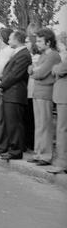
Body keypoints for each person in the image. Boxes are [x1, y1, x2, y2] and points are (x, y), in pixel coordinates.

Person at [0, 30, 32, 161]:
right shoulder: (18, 53)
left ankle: (16, 151)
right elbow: (9, 72)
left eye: (10, 39)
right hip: (10, 93)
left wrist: (1, 84)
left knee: (14, 124)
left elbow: (15, 74)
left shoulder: (24, 55)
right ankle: (12, 149)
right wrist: (0, 80)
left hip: (15, 94)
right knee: (10, 123)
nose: (8, 41)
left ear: (17, 40)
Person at [27, 28, 61, 165]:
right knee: (39, 124)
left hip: (46, 93)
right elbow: (31, 69)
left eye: (40, 41)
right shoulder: (42, 55)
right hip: (37, 92)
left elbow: (40, 73)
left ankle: (45, 155)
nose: (38, 44)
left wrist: (34, 71)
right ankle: (38, 153)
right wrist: (34, 71)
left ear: (48, 42)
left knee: (45, 124)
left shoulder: (53, 55)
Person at [47, 32, 67, 174]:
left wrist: (56, 68)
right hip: (61, 96)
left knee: (61, 129)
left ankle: (62, 162)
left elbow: (58, 69)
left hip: (63, 96)